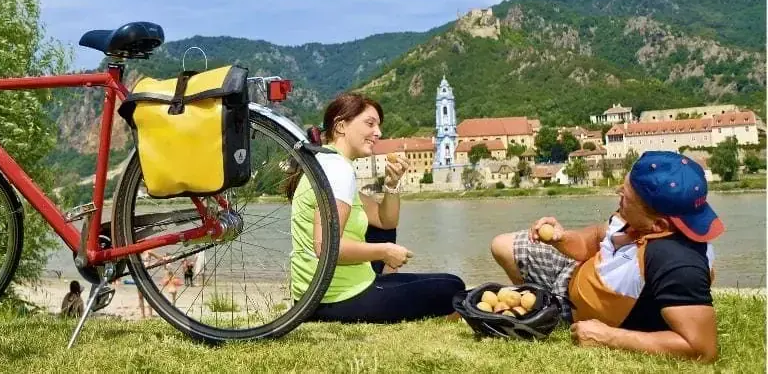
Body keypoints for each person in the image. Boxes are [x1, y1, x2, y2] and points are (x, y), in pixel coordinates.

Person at [489, 151, 722, 362]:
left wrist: (609, 337)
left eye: (626, 196)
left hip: (576, 308)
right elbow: (597, 237)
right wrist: (559, 238)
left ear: (658, 225)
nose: (618, 194)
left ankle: (543, 312)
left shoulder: (678, 262)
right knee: (502, 245)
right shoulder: (640, 217)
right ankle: (535, 304)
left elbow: (702, 348)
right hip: (577, 271)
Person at [288, 92, 466, 323]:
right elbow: (325, 247)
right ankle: (437, 332)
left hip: (314, 297)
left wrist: (391, 185)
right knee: (453, 287)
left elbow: (386, 222)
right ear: (341, 126)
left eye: (378, 126)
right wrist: (385, 251)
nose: (378, 133)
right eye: (369, 124)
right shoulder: (338, 170)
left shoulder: (327, 163)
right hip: (335, 299)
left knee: (383, 234)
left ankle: (386, 292)